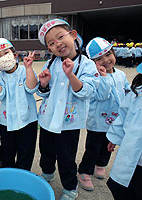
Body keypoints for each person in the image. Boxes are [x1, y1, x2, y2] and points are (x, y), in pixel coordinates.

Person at [37, 18, 100, 200]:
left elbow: (87, 91)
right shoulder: (50, 64)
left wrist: (71, 75)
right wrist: (44, 84)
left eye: (60, 37)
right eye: (51, 43)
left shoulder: (87, 64)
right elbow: (44, 94)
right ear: (49, 49)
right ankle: (47, 173)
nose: (57, 44)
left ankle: (70, 187)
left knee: (66, 157)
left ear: (73, 36)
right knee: (46, 151)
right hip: (48, 119)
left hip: (69, 124)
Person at [77, 37, 131, 191]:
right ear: (92, 62)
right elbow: (101, 96)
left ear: (113, 53)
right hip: (97, 121)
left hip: (115, 120)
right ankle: (84, 171)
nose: (106, 61)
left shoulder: (120, 74)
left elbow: (126, 89)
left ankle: (101, 164)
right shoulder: (95, 76)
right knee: (93, 147)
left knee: (109, 145)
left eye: (108, 55)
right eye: (99, 59)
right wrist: (103, 77)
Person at [0, 38, 38, 171]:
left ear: (14, 55)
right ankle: (9, 174)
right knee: (8, 151)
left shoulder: (24, 70)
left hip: (28, 120)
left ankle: (23, 175)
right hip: (7, 121)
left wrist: (29, 68)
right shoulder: (0, 76)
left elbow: (31, 88)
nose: (3, 57)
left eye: (6, 53)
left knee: (26, 151)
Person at [106, 63, 142, 200]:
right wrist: (114, 137)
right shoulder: (137, 92)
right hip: (131, 151)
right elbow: (123, 114)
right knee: (119, 186)